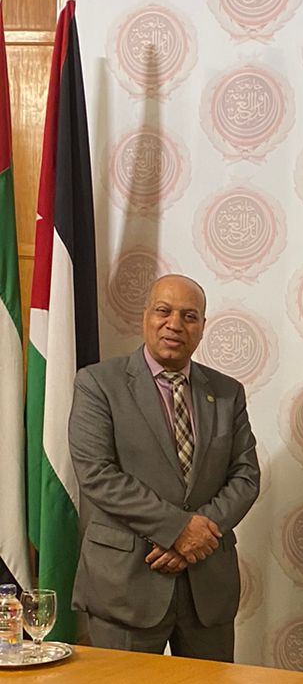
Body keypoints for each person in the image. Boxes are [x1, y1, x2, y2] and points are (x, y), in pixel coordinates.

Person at [68, 273, 260, 661]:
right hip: (125, 586)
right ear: (145, 317)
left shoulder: (227, 392)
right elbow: (97, 474)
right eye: (163, 311)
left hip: (207, 587)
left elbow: (245, 476)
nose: (175, 324)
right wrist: (177, 530)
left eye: (189, 316)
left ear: (202, 327)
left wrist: (196, 539)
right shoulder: (97, 384)